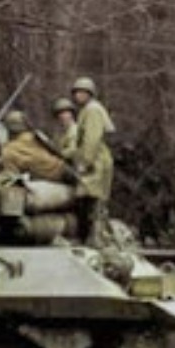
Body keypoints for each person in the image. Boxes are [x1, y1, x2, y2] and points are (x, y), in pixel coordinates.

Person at [68, 76, 115, 245]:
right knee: (89, 200)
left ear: (89, 94)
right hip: (95, 160)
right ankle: (92, 237)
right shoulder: (88, 109)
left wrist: (84, 163)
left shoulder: (93, 110)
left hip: (96, 162)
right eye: (76, 92)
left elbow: (92, 139)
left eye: (82, 92)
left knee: (92, 200)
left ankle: (94, 238)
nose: (77, 96)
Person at [0, 109, 73, 183]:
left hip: (51, 176)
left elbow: (11, 175)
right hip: (63, 168)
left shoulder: (8, 150)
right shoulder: (33, 136)